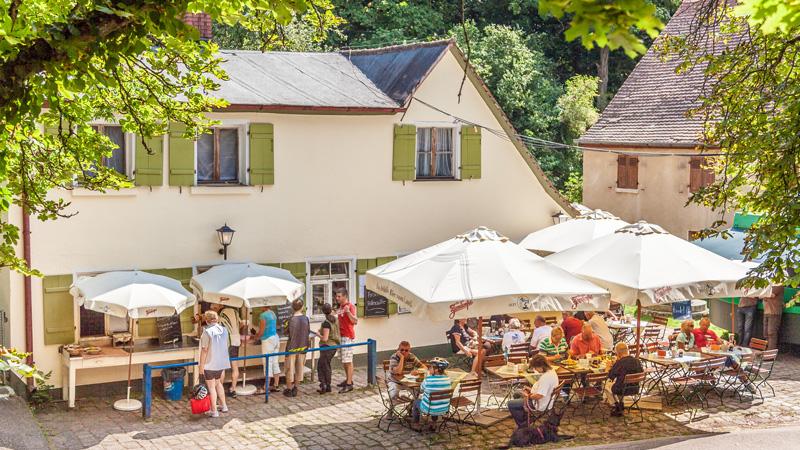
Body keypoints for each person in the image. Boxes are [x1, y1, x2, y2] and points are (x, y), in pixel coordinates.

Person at [507, 355, 559, 429]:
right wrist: (529, 390)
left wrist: (528, 395)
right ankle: (526, 418)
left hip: (539, 404)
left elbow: (539, 395)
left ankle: (523, 425)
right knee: (516, 394)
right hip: (547, 400)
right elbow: (542, 390)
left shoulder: (546, 378)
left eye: (535, 368)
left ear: (541, 366)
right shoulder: (552, 371)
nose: (535, 370)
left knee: (510, 404)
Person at [198, 311, 230, 418]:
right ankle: (224, 406)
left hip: (210, 363)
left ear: (206, 320)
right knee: (218, 383)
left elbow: (204, 350)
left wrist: (201, 365)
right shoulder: (224, 330)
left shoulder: (207, 332)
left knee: (211, 387)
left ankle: (214, 411)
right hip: (221, 362)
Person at [410, 357, 451, 431]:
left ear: (436, 370)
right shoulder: (448, 379)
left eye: (430, 367)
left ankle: (416, 423)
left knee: (415, 402)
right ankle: (434, 424)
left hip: (429, 409)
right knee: (435, 402)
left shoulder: (428, 379)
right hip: (444, 408)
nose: (429, 369)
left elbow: (421, 390)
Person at [212, 303, 242, 398]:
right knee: (235, 365)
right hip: (236, 340)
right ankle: (233, 389)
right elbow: (241, 323)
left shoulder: (221, 314)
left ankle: (219, 389)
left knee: (222, 366)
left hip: (226, 342)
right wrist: (235, 330)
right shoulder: (235, 312)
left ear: (220, 305)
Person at [606, 342, 643, 417]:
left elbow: (611, 376)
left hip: (621, 389)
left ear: (618, 353)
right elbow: (641, 372)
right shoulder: (637, 361)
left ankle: (617, 406)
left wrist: (608, 368)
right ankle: (621, 404)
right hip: (635, 388)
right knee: (620, 383)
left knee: (606, 386)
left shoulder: (620, 363)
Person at [283, 299, 310, 397]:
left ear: (292, 308)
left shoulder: (290, 320)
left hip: (291, 347)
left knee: (289, 368)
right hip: (303, 346)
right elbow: (308, 331)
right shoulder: (306, 319)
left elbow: (285, 332)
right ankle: (296, 388)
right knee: (299, 368)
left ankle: (289, 388)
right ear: (302, 307)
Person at [313, 303, 339, 394]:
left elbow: (325, 338)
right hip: (334, 345)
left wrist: (318, 334)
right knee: (326, 365)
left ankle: (324, 385)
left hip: (327, 346)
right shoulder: (335, 320)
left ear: (323, 311)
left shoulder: (326, 323)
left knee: (321, 366)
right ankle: (327, 385)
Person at [335, 288, 358, 393]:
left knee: (348, 361)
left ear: (345, 296)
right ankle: (348, 380)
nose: (337, 298)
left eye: (339, 296)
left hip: (347, 336)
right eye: (336, 296)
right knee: (344, 360)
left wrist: (348, 312)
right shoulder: (340, 307)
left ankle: (349, 384)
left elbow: (355, 321)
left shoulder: (350, 306)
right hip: (341, 336)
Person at [257, 307, 281, 393]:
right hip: (276, 338)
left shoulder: (263, 315)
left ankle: (265, 387)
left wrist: (255, 337)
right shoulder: (272, 313)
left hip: (268, 340)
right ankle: (276, 385)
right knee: (275, 362)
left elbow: (262, 331)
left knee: (267, 362)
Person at [763, 285, 785, 350]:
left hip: (774, 312)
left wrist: (764, 295)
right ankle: (766, 351)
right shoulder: (769, 285)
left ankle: (770, 354)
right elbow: (761, 295)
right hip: (766, 311)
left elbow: (771, 295)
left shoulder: (779, 285)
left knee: (771, 333)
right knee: (765, 333)